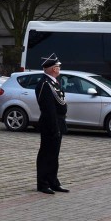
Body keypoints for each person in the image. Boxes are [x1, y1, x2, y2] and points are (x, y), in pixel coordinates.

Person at [35, 53, 69, 195]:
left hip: (58, 121)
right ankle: (43, 183)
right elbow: (48, 109)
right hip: (50, 123)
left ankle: (53, 181)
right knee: (46, 154)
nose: (59, 69)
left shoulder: (53, 83)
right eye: (57, 67)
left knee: (54, 154)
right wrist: (54, 127)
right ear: (53, 69)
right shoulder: (44, 84)